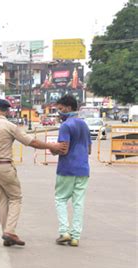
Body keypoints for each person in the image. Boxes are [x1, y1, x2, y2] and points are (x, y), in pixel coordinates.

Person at [0, 98, 66, 247]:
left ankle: (6, 233)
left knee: (2, 200)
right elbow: (32, 142)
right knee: (16, 198)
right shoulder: (10, 126)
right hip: (4, 166)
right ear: (8, 111)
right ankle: (10, 231)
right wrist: (52, 146)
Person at [52, 95, 91, 247]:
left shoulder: (66, 125)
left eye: (60, 109)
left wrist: (53, 150)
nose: (59, 112)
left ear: (68, 108)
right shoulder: (84, 124)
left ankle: (64, 232)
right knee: (78, 203)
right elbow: (89, 149)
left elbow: (63, 149)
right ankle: (75, 237)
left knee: (61, 199)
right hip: (83, 168)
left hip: (67, 168)